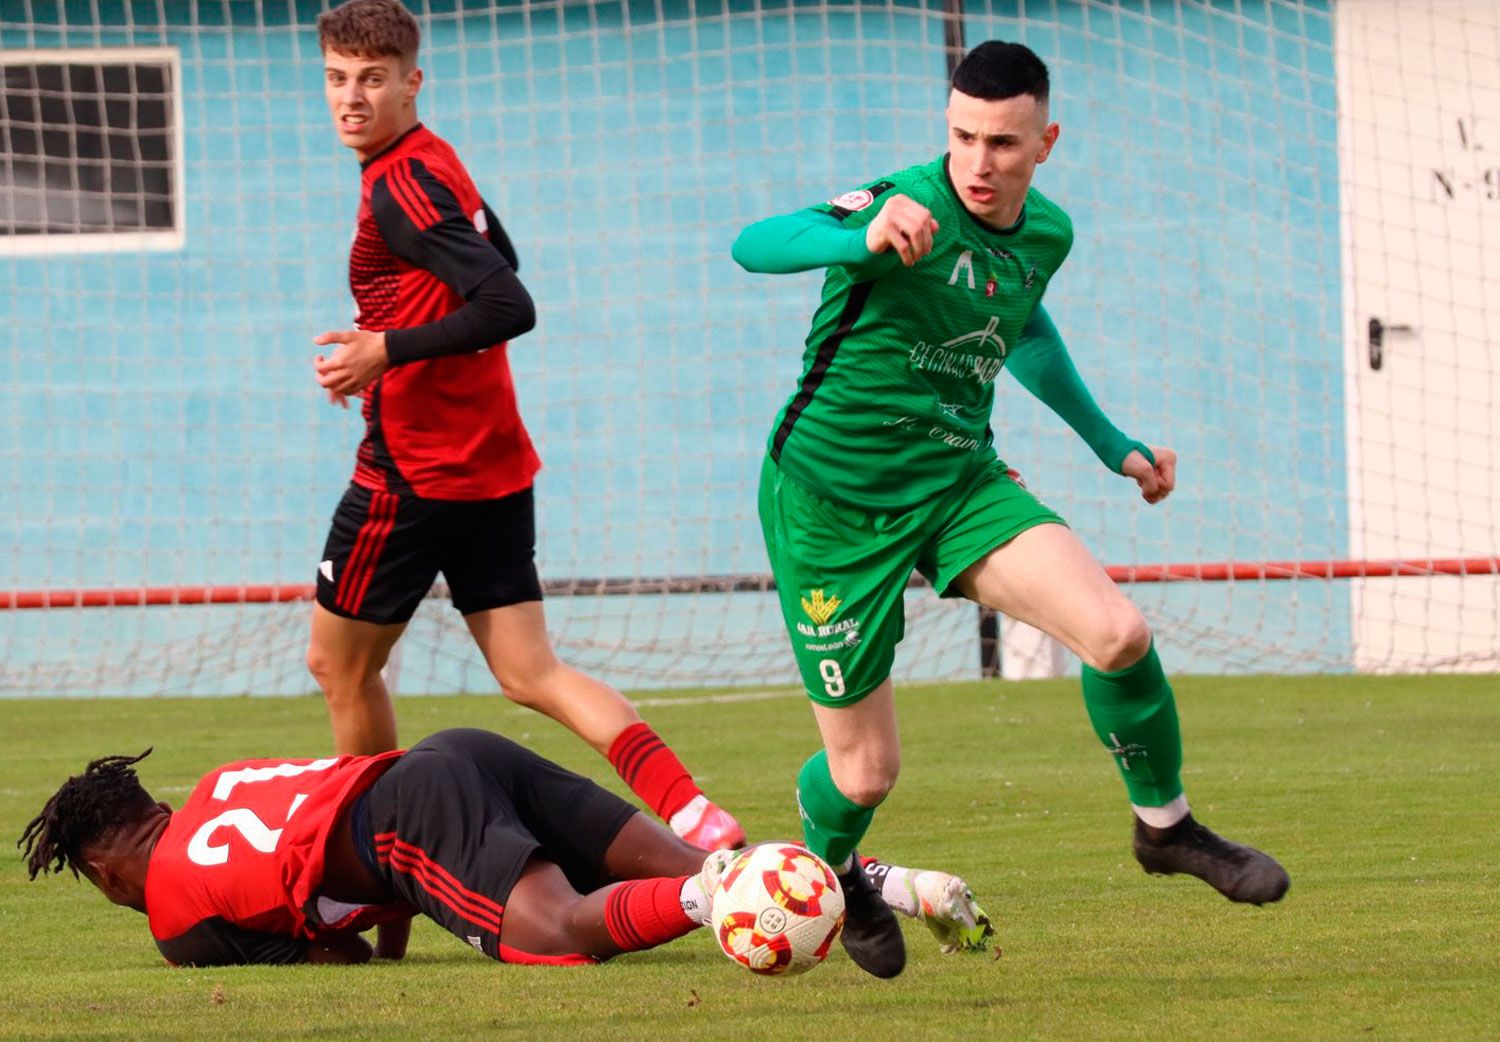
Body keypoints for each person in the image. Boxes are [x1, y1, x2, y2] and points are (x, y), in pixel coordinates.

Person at [731, 40, 1290, 979]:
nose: (978, 163)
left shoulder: (1046, 234)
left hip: (957, 482)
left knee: (1117, 633)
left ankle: (1167, 828)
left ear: (1046, 141)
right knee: (866, 773)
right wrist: (854, 238)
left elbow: (1020, 324)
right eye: (961, 137)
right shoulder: (900, 202)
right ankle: (834, 867)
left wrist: (1111, 442)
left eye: (1001, 142)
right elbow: (753, 243)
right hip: (829, 500)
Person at [303, 0, 742, 947]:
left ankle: (386, 881)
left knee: (338, 665)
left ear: (411, 82)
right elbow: (497, 254)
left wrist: (385, 353)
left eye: (372, 80)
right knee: (528, 669)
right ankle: (695, 814)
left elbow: (508, 299)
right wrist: (392, 354)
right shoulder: (435, 161)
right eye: (338, 77)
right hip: (493, 460)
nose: (352, 97)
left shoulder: (398, 186)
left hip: (411, 477)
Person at [18, 731, 992, 968]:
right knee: (682, 859)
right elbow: (331, 875)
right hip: (454, 754)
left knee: (557, 936)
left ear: (104, 870)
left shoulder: (175, 919)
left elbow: (336, 952)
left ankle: (718, 910)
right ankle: (885, 879)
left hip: (407, 818)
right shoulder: (227, 779)